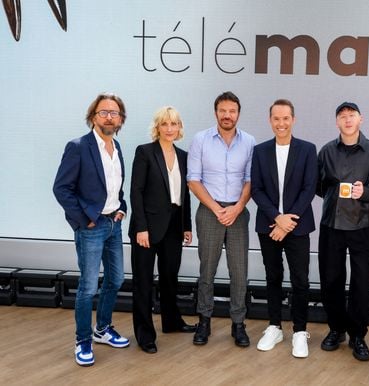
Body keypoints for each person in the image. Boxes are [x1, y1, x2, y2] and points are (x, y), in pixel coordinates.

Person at [53, 93, 130, 367]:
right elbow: (61, 188)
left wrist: (122, 207)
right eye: (103, 112)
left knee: (116, 280)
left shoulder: (117, 146)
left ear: (121, 119)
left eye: (114, 113)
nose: (109, 117)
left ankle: (103, 329)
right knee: (87, 288)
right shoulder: (78, 147)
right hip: (92, 227)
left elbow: (116, 187)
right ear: (93, 116)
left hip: (114, 224)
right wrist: (83, 219)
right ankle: (83, 340)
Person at [317, 102, 369, 361]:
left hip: (364, 226)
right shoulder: (326, 151)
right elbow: (318, 186)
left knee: (361, 282)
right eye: (342, 116)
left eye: (352, 116)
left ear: (361, 120)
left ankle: (357, 335)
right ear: (337, 122)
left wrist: (365, 192)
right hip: (332, 226)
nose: (347, 120)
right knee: (330, 280)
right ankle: (336, 329)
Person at [187, 91, 256, 347]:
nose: (227, 115)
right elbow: (193, 179)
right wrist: (217, 208)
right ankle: (203, 322)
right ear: (216, 112)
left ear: (238, 113)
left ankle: (238, 324)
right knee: (207, 270)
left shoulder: (249, 141)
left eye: (232, 111)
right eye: (223, 111)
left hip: (238, 213)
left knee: (239, 272)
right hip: (209, 211)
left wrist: (237, 207)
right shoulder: (201, 140)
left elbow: (250, 180)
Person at [251, 99, 317, 358]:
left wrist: (287, 222)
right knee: (273, 277)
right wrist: (277, 218)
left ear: (293, 119)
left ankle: (300, 331)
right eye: (276, 118)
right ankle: (275, 326)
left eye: (285, 118)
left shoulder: (307, 149)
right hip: (268, 224)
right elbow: (256, 189)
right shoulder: (260, 151)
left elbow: (309, 188)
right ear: (270, 121)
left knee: (300, 279)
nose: (281, 123)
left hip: (297, 226)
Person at [129, 106, 196, 354]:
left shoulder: (184, 156)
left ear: (179, 128)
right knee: (143, 282)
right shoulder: (145, 152)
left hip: (173, 227)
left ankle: (172, 322)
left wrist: (186, 225)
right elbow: (135, 191)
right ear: (157, 127)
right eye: (165, 124)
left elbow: (185, 194)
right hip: (147, 229)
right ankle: (145, 335)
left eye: (174, 124)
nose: (170, 128)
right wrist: (141, 228)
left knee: (170, 278)